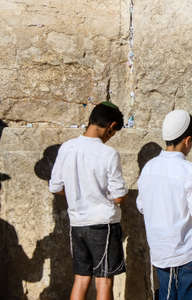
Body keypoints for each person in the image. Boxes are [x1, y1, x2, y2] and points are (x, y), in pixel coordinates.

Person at [49, 102, 128, 300]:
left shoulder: (67, 148)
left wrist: (78, 194)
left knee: (81, 278)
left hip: (77, 224)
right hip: (103, 224)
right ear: (111, 126)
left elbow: (56, 187)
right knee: (104, 280)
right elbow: (118, 195)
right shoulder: (108, 153)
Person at [136, 110, 192, 300]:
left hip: (161, 250)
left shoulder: (149, 167)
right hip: (188, 250)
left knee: (166, 295)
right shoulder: (190, 170)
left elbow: (142, 205)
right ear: (188, 140)